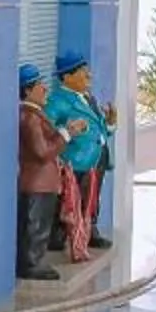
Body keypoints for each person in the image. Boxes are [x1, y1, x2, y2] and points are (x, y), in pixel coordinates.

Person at [44, 50, 116, 258]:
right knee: (70, 198)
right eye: (84, 73)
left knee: (93, 196)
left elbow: (99, 128)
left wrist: (110, 123)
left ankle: (90, 229)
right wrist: (68, 130)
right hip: (76, 160)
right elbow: (47, 128)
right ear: (67, 77)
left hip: (97, 156)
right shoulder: (58, 101)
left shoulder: (88, 99)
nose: (89, 77)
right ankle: (59, 236)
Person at [17, 65, 68, 282]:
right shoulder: (30, 119)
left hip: (44, 182)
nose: (45, 89)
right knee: (35, 224)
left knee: (41, 224)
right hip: (37, 182)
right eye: (39, 85)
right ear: (27, 91)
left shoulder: (36, 115)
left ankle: (36, 260)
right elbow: (42, 152)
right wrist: (66, 134)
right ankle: (31, 263)